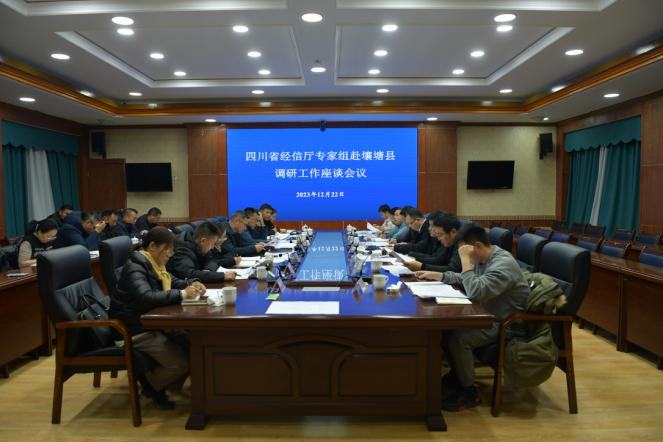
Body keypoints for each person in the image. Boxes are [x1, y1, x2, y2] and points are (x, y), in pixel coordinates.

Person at [415, 223, 529, 411]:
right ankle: (458, 376)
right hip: (485, 315)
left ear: (477, 246)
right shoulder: (485, 256)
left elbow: (475, 290)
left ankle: (469, 393)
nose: (464, 258)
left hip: (505, 324)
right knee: (446, 331)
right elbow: (468, 279)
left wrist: (466, 261)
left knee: (459, 339)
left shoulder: (503, 265)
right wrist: (440, 276)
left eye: (464, 253)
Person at [111, 226, 206, 409]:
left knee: (191, 345)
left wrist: (191, 283)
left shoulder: (154, 265)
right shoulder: (135, 268)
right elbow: (146, 297)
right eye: (167, 249)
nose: (170, 253)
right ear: (153, 246)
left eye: (172, 249)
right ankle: (151, 386)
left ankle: (188, 389)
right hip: (133, 329)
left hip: (150, 324)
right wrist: (182, 294)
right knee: (181, 364)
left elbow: (172, 281)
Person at [167, 222, 236, 283]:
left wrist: (208, 270)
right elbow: (189, 274)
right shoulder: (182, 249)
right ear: (203, 241)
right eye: (212, 244)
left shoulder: (198, 244)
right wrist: (222, 276)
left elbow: (212, 260)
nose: (212, 247)